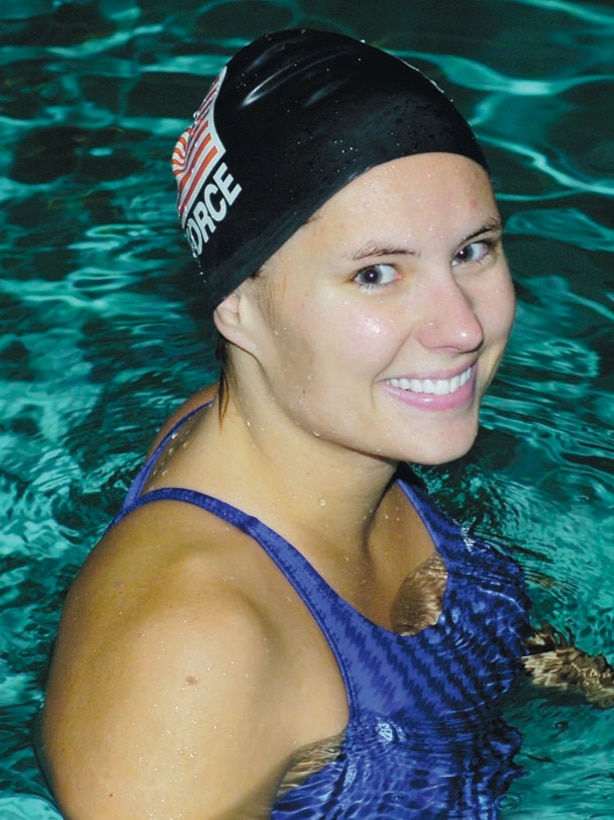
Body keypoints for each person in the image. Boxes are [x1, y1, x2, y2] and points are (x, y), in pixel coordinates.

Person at [38, 29, 613, 819]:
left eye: (473, 250)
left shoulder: (307, 432)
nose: (462, 327)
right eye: (376, 273)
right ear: (238, 306)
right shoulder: (190, 656)